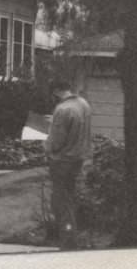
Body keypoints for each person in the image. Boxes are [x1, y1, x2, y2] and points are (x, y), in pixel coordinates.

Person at [44, 79, 92, 250]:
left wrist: (47, 147)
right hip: (78, 158)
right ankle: (72, 237)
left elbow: (56, 141)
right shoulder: (83, 104)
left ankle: (68, 242)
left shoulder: (62, 109)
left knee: (60, 203)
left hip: (62, 160)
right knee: (70, 199)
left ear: (56, 91)